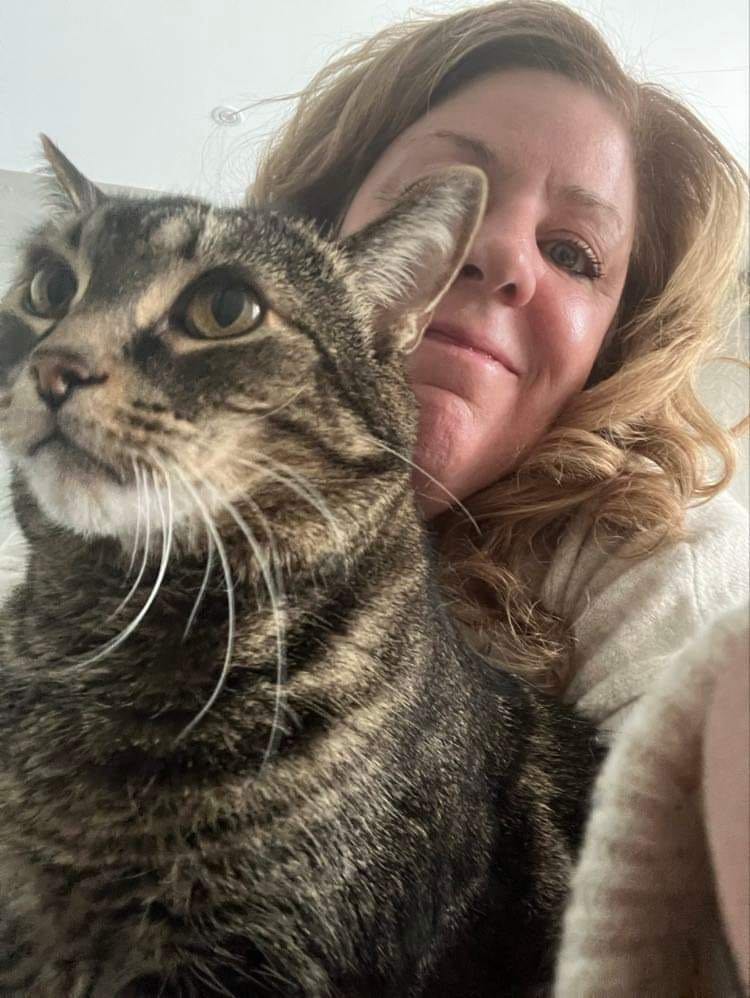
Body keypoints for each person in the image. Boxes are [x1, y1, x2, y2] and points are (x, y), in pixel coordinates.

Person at [249, 2, 749, 994]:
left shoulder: (656, 555)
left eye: (575, 255)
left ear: (609, 351)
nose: (501, 254)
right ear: (310, 234)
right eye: (436, 193)